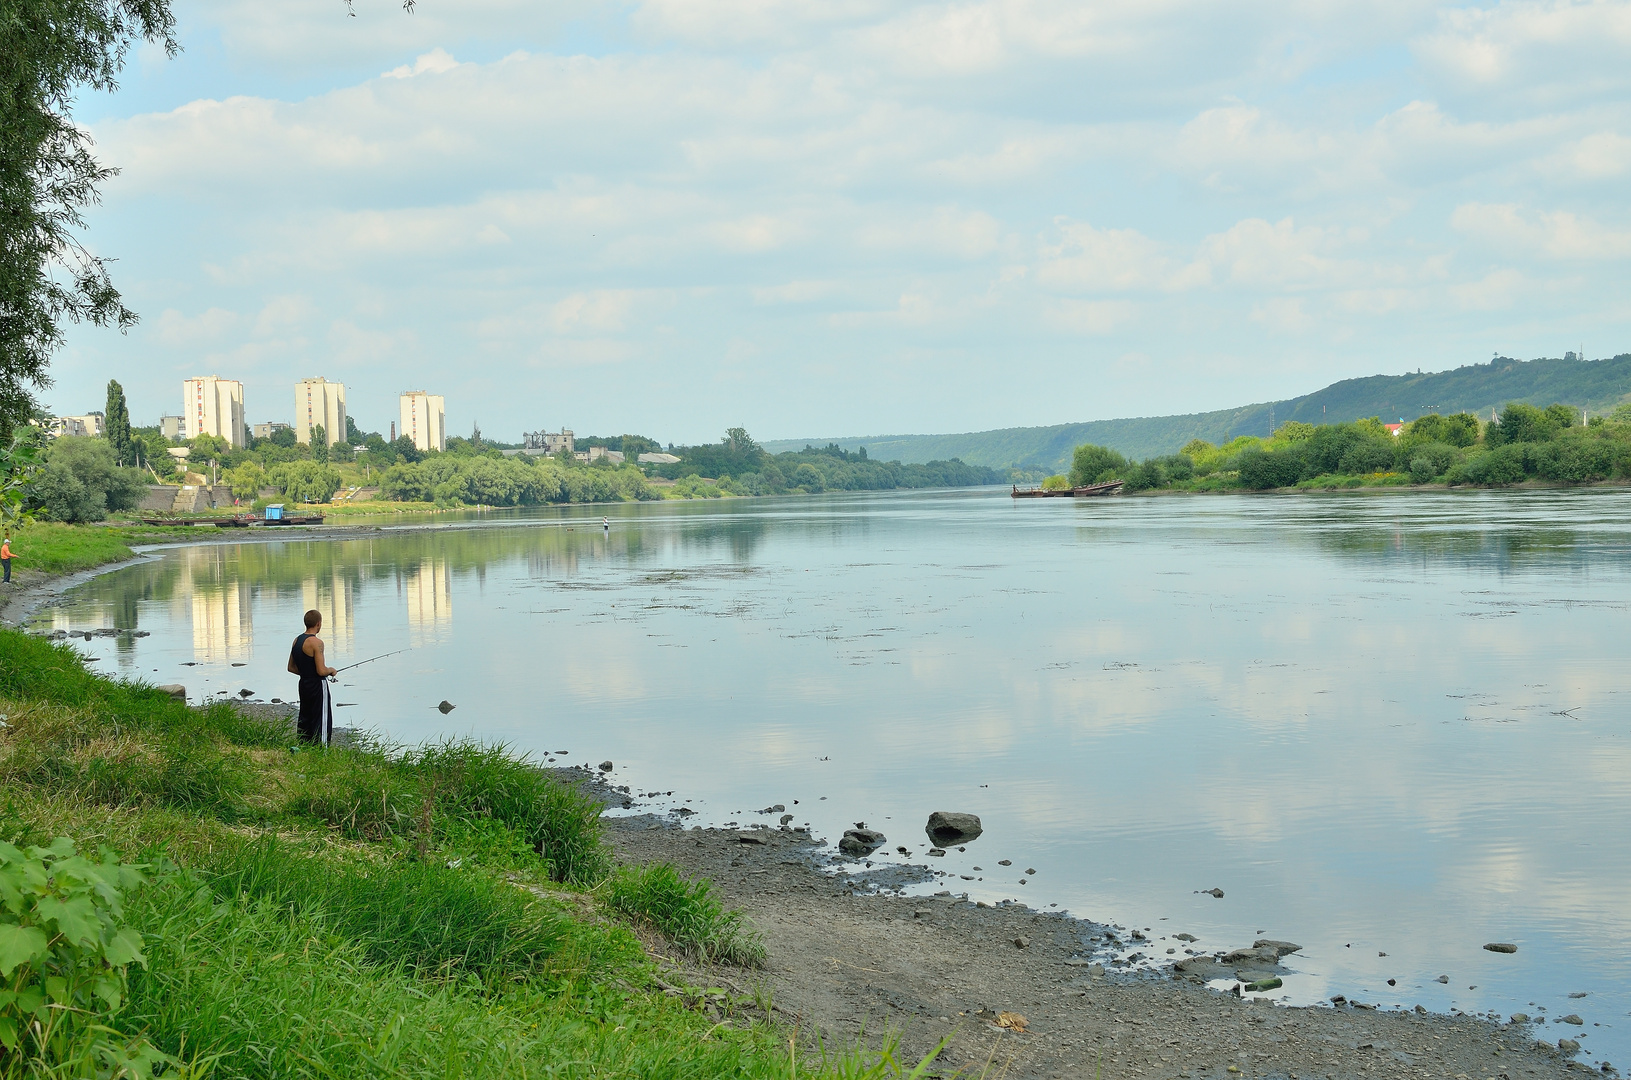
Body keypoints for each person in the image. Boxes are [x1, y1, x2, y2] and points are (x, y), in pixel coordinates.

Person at [287, 608, 337, 745]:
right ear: (318, 624)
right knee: (321, 717)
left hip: (303, 683)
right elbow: (321, 671)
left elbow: (290, 668)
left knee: (306, 716)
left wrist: (306, 674)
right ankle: (322, 750)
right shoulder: (317, 643)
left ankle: (303, 746)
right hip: (317, 685)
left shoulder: (296, 640)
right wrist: (331, 670)